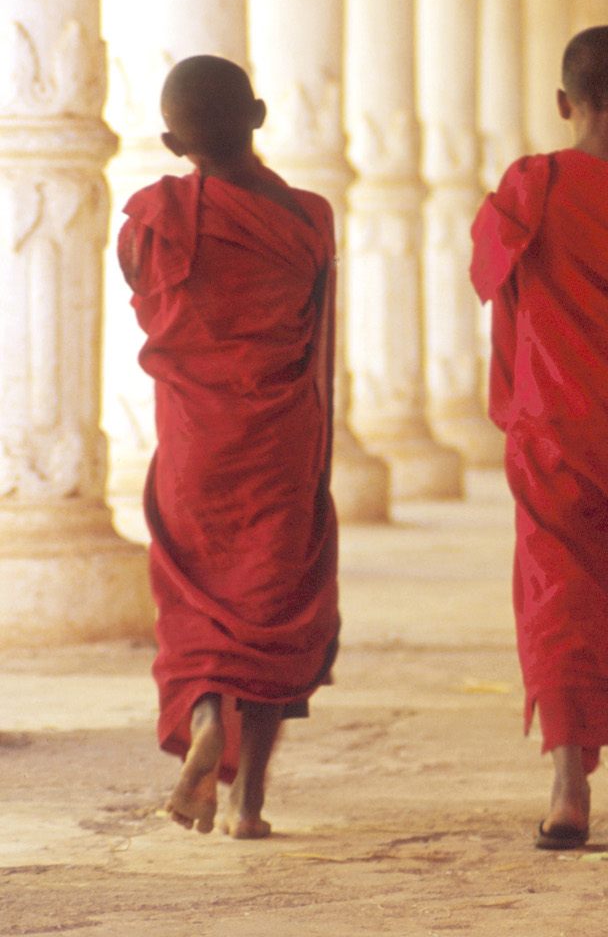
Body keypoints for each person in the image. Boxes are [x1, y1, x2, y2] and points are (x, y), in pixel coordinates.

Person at [471, 25, 608, 851]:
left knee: (557, 596)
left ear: (564, 105)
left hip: (553, 426)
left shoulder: (528, 186)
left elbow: (505, 297)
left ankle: (569, 789)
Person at [120, 55, 341, 840]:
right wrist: (321, 459)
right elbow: (320, 345)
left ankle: (208, 711)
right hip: (279, 442)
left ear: (172, 142)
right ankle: (248, 803)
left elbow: (156, 306)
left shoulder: (148, 223)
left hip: (192, 447)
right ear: (258, 115)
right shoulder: (309, 217)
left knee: (199, 604)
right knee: (279, 608)